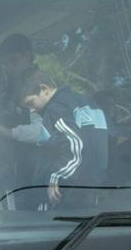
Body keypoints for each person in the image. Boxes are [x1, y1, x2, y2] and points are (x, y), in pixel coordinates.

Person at [16, 69, 109, 209]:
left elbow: (74, 143)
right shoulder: (88, 103)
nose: (31, 110)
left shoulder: (55, 108)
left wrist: (56, 177)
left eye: (31, 103)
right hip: (93, 188)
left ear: (44, 89)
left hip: (64, 191)